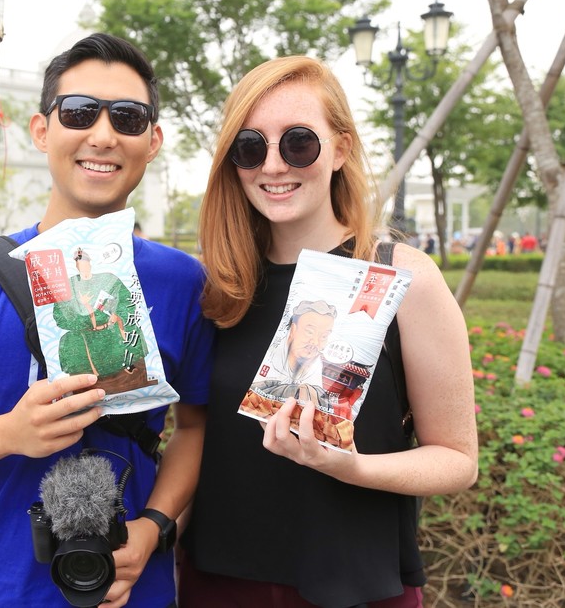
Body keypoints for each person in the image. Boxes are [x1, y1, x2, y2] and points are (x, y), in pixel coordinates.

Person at [0, 33, 214, 608]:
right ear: (41, 130)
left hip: (135, 591)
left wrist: (154, 525)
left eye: (128, 118)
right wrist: (8, 434)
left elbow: (194, 427)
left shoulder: (184, 283)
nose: (103, 135)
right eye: (80, 112)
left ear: (153, 141)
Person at [178, 56, 478, 608]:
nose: (273, 165)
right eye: (250, 147)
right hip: (218, 582)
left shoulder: (402, 278)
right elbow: (193, 438)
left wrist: (353, 466)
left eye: (298, 143)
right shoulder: (217, 288)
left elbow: (457, 459)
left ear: (340, 149)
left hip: (357, 585)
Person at [54, 247, 152, 394]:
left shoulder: (108, 278)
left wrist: (116, 315)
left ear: (90, 263)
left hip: (111, 328)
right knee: (69, 343)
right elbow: (60, 316)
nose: (83, 266)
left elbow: (127, 301)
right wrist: (85, 318)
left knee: (132, 334)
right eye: (80, 264)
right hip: (84, 333)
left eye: (85, 263)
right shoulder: (68, 285)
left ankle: (132, 379)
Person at [251, 299, 338, 412]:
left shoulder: (316, 366)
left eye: (324, 336)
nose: (315, 342)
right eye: (310, 332)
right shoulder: (271, 354)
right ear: (293, 330)